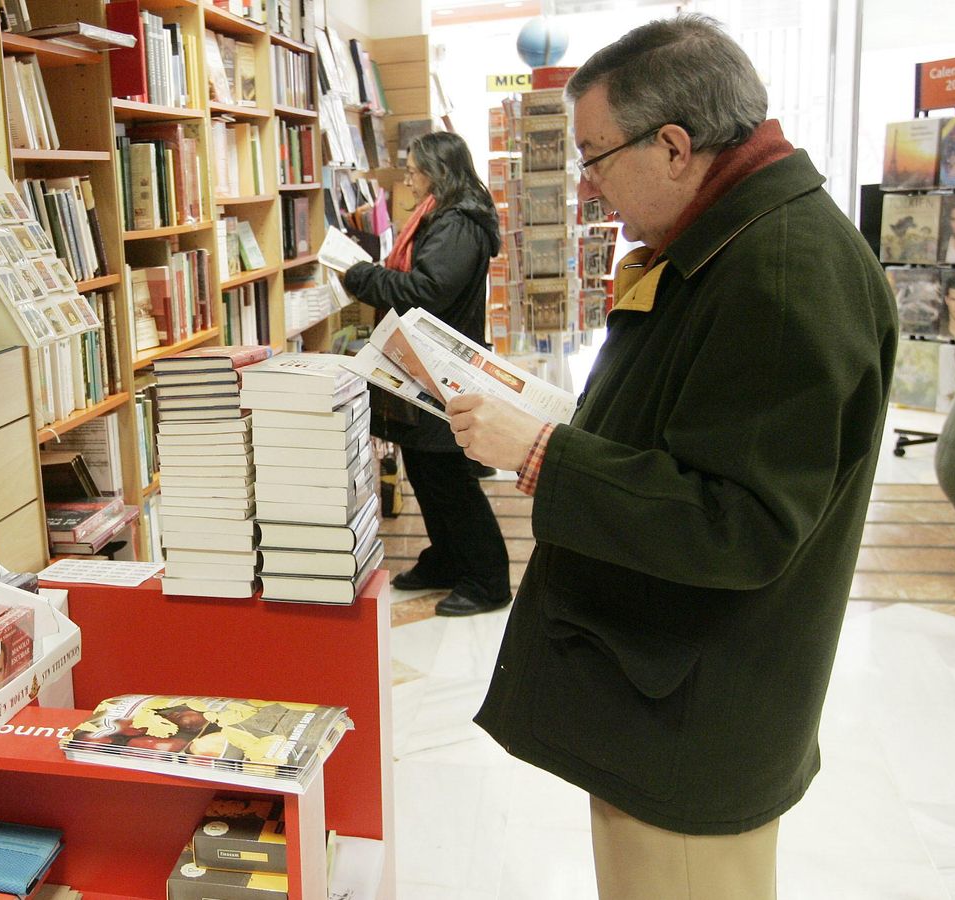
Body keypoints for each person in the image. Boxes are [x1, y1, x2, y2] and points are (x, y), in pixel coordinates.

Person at [444, 16, 896, 900]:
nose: (590, 188)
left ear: (676, 146)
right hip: (671, 686)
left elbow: (741, 523)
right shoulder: (742, 241)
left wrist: (543, 452)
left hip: (694, 705)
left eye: (596, 158)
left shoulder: (777, 269)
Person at [340, 131, 510, 616]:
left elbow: (428, 289)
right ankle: (447, 560)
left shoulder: (458, 223)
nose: (409, 181)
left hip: (441, 368)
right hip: (423, 364)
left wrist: (362, 277)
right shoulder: (444, 216)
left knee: (448, 473)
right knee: (426, 468)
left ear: (438, 170)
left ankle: (487, 578)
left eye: (414, 171)